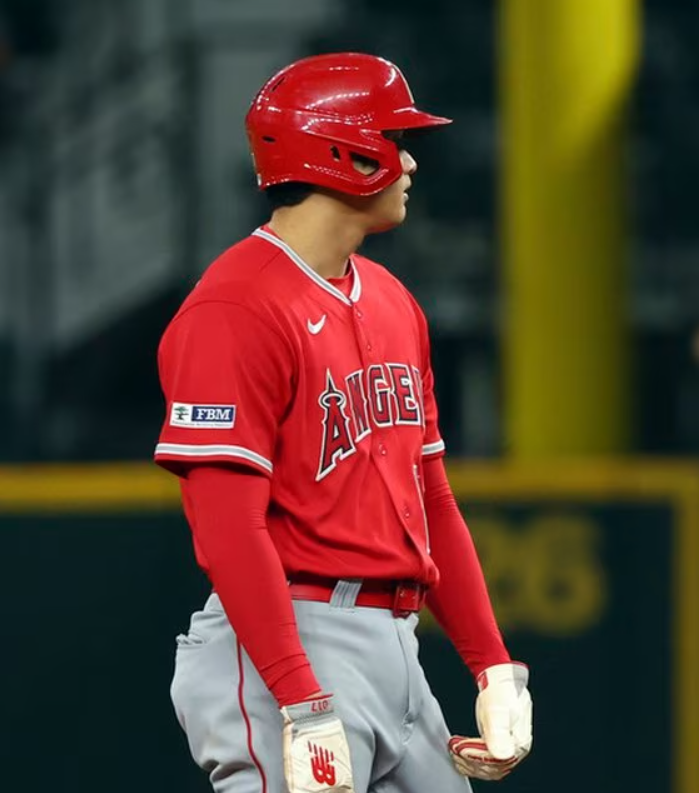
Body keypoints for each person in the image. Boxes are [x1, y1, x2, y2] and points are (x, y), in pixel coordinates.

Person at [154, 52, 533, 793]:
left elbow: (432, 501)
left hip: (396, 642)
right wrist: (299, 693)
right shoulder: (234, 308)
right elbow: (227, 527)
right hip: (286, 639)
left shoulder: (392, 299)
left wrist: (491, 664)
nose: (410, 160)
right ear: (345, 152)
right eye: (395, 137)